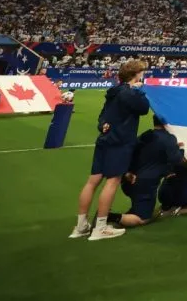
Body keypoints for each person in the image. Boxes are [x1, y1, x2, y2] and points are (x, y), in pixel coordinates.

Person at [70, 59, 150, 241]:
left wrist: (102, 126)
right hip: (120, 142)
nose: (143, 74)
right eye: (141, 72)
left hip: (105, 140)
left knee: (92, 182)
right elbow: (144, 108)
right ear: (135, 74)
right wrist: (139, 91)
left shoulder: (113, 92)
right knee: (113, 182)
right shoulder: (128, 93)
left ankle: (81, 226)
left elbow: (102, 116)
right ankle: (101, 227)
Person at [114, 116, 187, 228]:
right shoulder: (169, 140)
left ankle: (112, 218)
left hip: (129, 180)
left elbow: (129, 154)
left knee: (139, 209)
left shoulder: (145, 135)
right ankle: (109, 217)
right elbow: (178, 159)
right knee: (143, 219)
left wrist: (126, 173)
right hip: (145, 184)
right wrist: (181, 149)